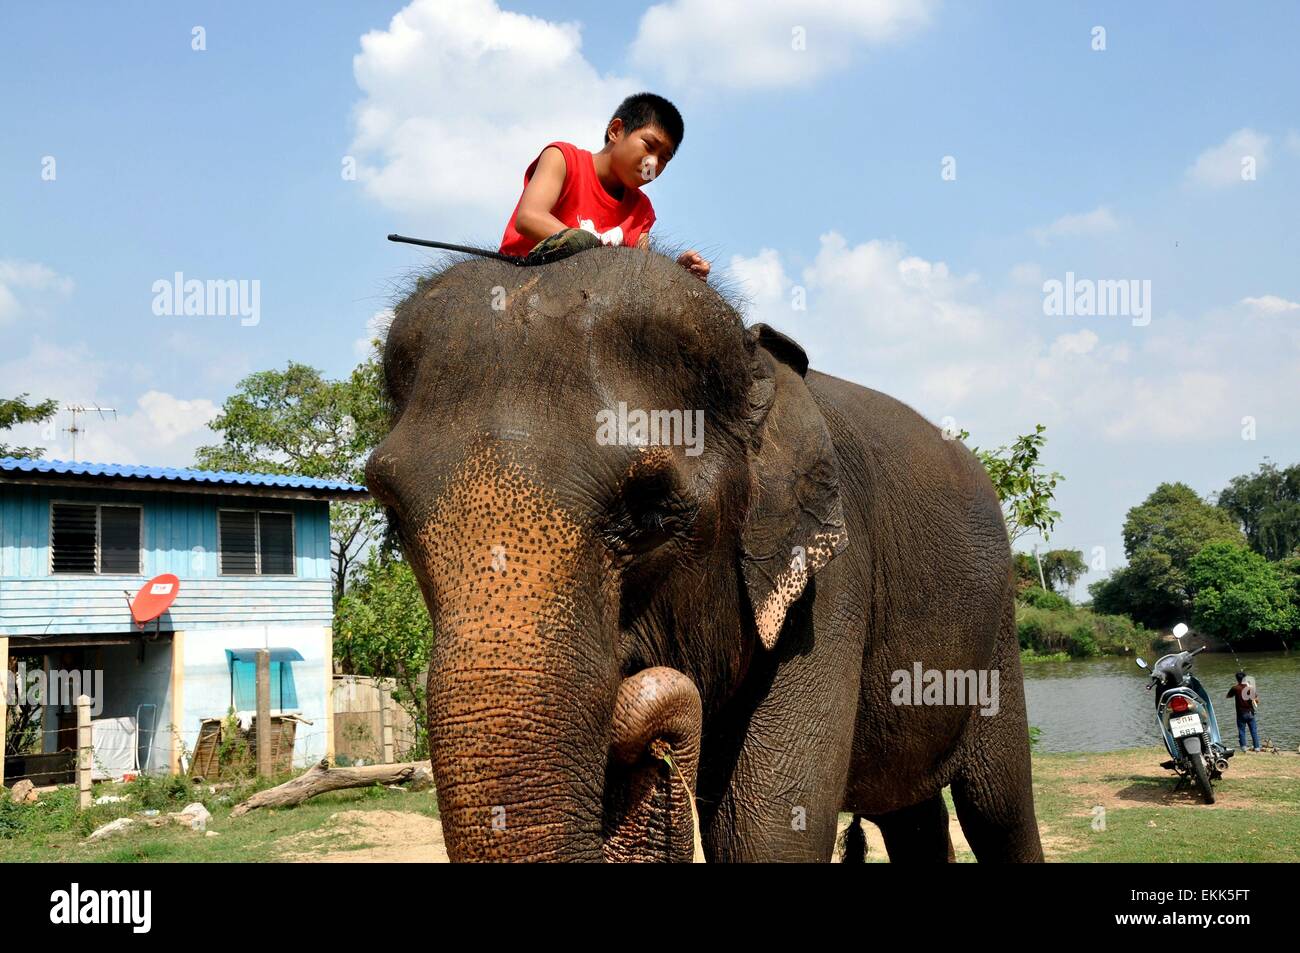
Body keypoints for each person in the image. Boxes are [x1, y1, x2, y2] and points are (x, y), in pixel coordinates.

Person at [498, 92, 710, 279]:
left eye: (664, 159)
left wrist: (675, 276)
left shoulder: (641, 210)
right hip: (517, 282)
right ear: (616, 131)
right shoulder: (563, 159)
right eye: (648, 146)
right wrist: (590, 246)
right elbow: (529, 218)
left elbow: (640, 272)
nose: (653, 163)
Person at [1226, 670, 1261, 751]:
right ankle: (1257, 748)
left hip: (1241, 713)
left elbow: (1227, 696)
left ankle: (1244, 748)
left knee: (1241, 731)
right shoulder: (1250, 688)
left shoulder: (1235, 688)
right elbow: (1257, 701)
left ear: (1237, 679)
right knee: (1253, 731)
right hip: (1250, 713)